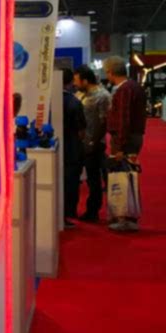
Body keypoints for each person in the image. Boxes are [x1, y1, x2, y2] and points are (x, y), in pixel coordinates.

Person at [105, 56, 147, 232]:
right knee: (130, 176)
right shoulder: (135, 87)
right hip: (134, 137)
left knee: (122, 177)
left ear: (111, 72)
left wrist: (120, 146)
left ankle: (124, 217)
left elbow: (123, 119)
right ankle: (129, 216)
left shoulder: (124, 90)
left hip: (125, 140)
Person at [74, 65, 111, 221]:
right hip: (79, 143)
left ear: (85, 80)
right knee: (80, 178)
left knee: (93, 179)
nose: (75, 84)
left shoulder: (103, 96)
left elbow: (104, 122)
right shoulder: (79, 94)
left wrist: (93, 142)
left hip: (94, 143)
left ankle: (93, 211)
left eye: (77, 81)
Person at [60, 68, 86, 227]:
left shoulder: (47, 100)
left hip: (53, 146)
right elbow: (82, 129)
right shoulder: (74, 102)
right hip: (72, 148)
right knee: (71, 182)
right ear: (70, 82)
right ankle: (68, 213)